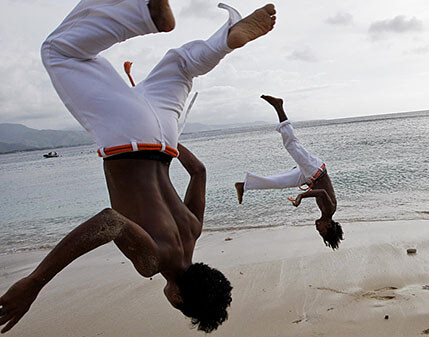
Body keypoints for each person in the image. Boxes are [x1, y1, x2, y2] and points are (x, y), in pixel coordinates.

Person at [0, 0, 276, 333]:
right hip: (125, 136)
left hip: (164, 134)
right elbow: (110, 222)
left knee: (181, 65)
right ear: (177, 298)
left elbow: (199, 171)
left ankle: (223, 41)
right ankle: (144, 15)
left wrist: (168, 142)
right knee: (58, 51)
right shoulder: (154, 261)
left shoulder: (193, 228)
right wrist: (34, 282)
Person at [235, 95, 343, 250]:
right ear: (329, 226)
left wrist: (301, 173)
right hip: (315, 170)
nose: (318, 230)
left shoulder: (325, 212)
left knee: (279, 183)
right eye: (322, 232)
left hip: (308, 176)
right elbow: (322, 193)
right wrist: (301, 196)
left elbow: (319, 189)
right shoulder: (330, 209)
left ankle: (244, 185)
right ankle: (279, 107)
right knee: (291, 144)